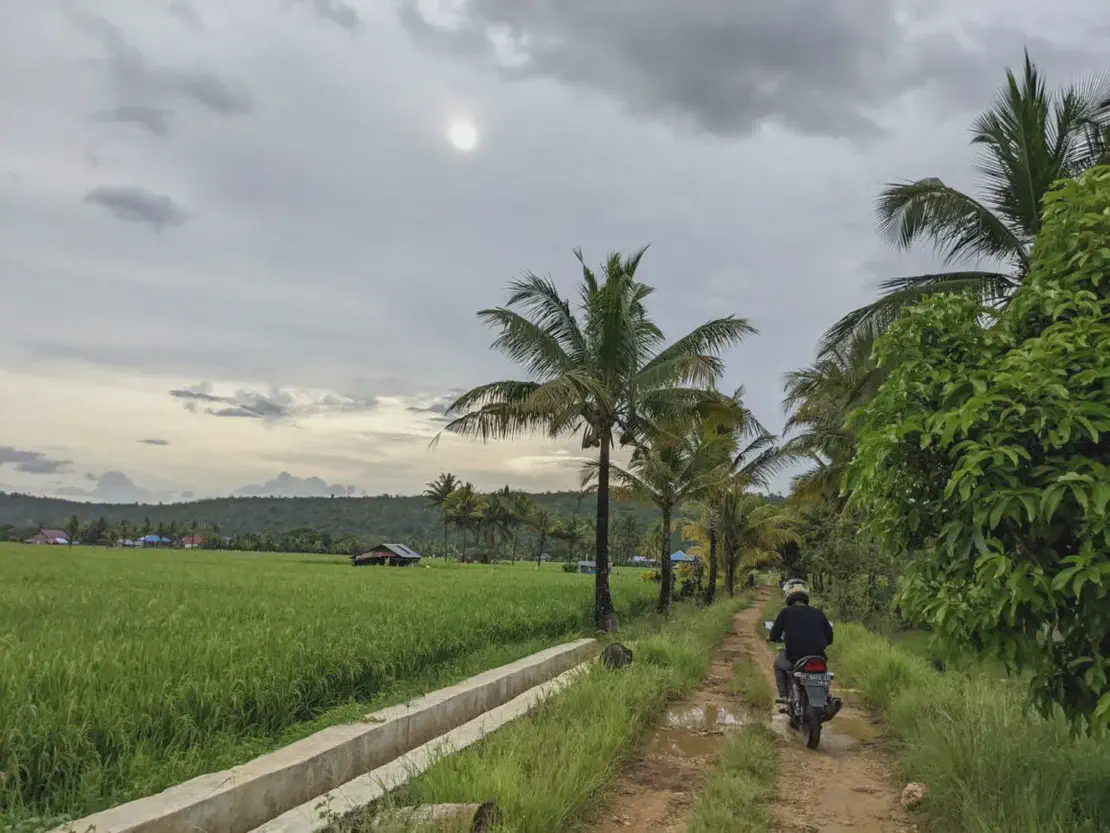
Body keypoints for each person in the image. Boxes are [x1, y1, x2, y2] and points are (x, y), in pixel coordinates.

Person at [768, 579, 833, 703]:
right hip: (818, 657)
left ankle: (784, 698)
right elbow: (829, 637)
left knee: (778, 663)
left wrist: (773, 638)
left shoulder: (785, 612)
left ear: (788, 596)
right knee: (824, 671)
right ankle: (826, 695)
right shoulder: (818, 613)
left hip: (794, 658)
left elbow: (774, 634)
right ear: (806, 596)